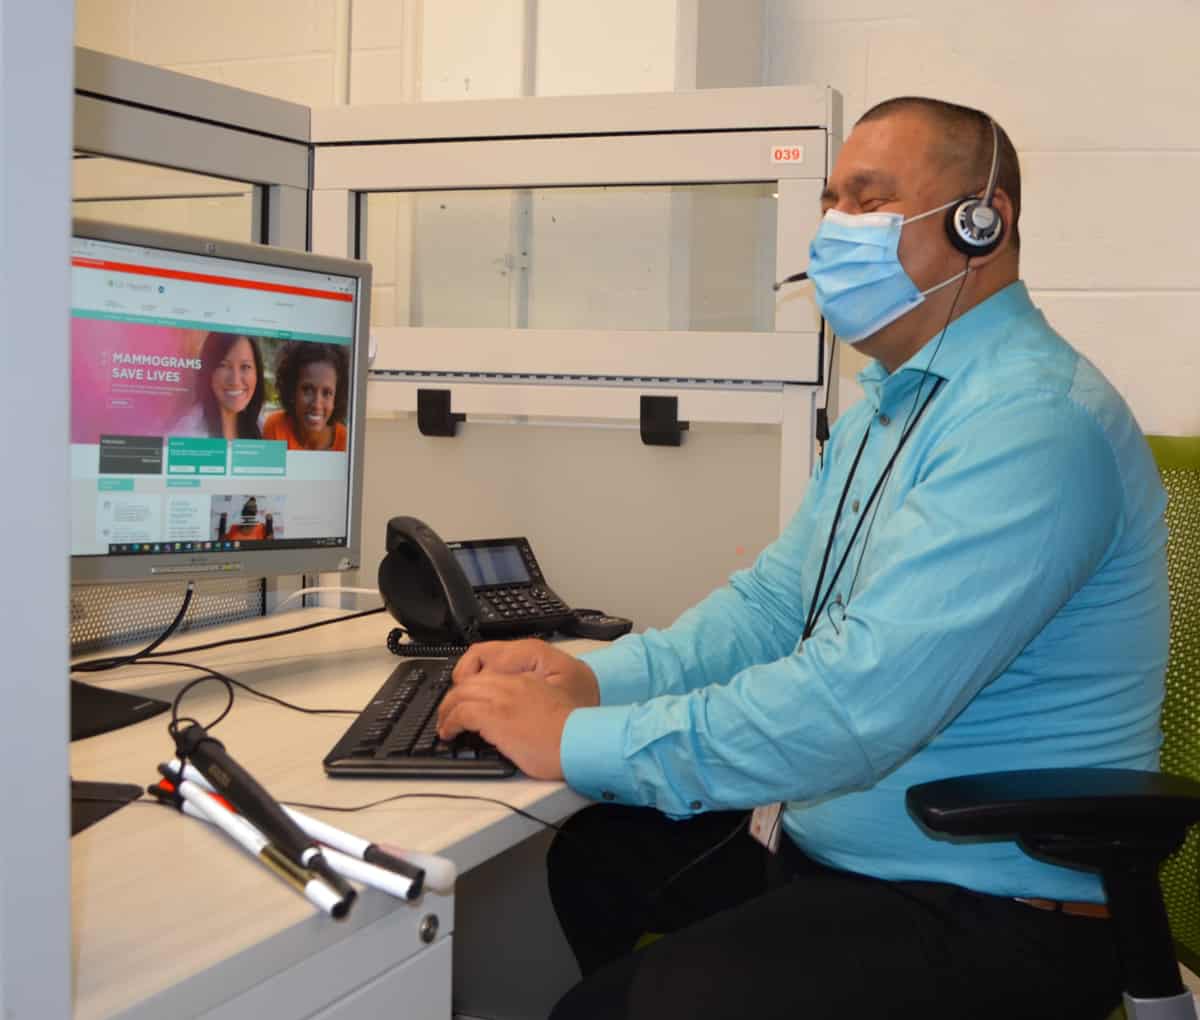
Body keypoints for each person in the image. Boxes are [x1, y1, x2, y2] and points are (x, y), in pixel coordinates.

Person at [434, 97, 1169, 1020]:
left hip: (992, 903)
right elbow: (776, 610)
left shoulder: (1032, 424)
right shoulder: (891, 410)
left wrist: (575, 741)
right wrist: (594, 681)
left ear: (984, 223)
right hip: (848, 859)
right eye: (831, 203)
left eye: (867, 201)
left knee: (616, 1010)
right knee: (601, 856)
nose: (834, 231)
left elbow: (859, 705)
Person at [174, 332, 265, 440]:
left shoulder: (263, 428)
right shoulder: (186, 434)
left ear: (257, 373)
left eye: (245, 366)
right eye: (223, 365)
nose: (235, 381)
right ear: (209, 371)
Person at [262, 342, 349, 451]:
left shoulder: (346, 443)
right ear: (293, 390)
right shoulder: (276, 427)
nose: (317, 404)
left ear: (337, 397)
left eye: (326, 393)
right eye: (307, 390)